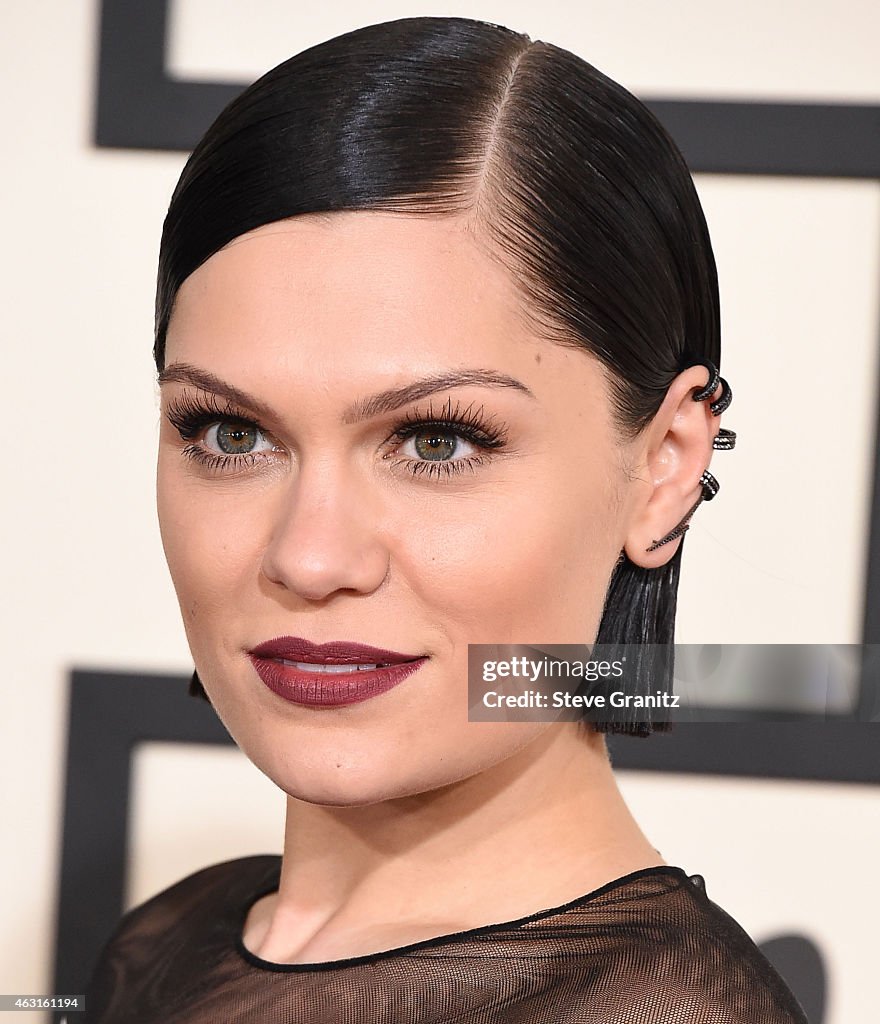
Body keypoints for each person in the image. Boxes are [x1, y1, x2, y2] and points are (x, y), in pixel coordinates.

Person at [81, 16, 807, 1024]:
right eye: (231, 432)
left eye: (437, 442)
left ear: (663, 469)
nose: (310, 555)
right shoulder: (166, 942)